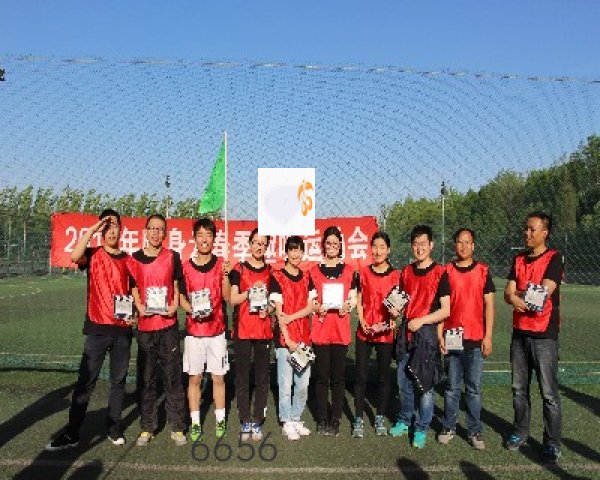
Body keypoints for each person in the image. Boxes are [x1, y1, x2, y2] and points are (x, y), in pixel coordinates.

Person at [45, 209, 134, 451]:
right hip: (97, 330)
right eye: (107, 227)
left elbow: (133, 292)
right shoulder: (93, 254)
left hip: (122, 331)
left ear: (121, 229)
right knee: (86, 383)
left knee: (118, 382)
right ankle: (72, 433)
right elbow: (75, 256)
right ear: (101, 230)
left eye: (115, 226)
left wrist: (135, 314)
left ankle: (113, 428)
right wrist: (92, 230)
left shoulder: (128, 259)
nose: (112, 231)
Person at [504, 212, 563, 462]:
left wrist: (519, 295)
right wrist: (517, 296)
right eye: (525, 229)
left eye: (532, 229)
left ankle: (552, 443)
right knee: (519, 389)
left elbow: (543, 292)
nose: (526, 233)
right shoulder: (518, 258)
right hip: (519, 333)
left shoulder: (554, 258)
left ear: (544, 233)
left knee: (548, 393)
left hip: (544, 335)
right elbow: (507, 293)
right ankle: (520, 431)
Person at [127, 213, 187, 447]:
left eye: (160, 229)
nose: (155, 232)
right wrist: (139, 306)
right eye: (152, 228)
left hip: (168, 326)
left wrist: (174, 304)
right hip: (146, 327)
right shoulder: (134, 258)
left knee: (173, 377)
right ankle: (147, 426)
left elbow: (176, 284)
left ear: (165, 233)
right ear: (145, 231)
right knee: (146, 378)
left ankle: (178, 426)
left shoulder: (172, 256)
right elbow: (133, 286)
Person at [389, 224, 450, 449]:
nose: (419, 248)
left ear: (431, 245)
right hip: (407, 332)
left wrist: (422, 320)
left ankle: (422, 427)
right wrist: (395, 311)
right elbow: (401, 301)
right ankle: (405, 420)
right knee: (403, 380)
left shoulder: (440, 273)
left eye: (423, 244)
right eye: (415, 244)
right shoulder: (406, 272)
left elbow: (445, 310)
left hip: (426, 335)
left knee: (425, 384)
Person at [437, 228, 495, 450]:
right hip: (453, 339)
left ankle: (474, 430)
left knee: (473, 389)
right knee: (452, 388)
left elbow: (489, 305)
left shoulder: (483, 271)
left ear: (473, 245)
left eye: (467, 242)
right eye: (459, 242)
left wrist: (488, 336)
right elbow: (442, 306)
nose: (463, 246)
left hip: (475, 340)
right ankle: (448, 426)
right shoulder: (447, 271)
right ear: (455, 245)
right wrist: (440, 334)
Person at [179, 218, 231, 442]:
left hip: (217, 331)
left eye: (208, 235)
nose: (204, 239)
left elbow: (227, 297)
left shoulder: (221, 265)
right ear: (194, 238)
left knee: (218, 378)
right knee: (194, 379)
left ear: (214, 239)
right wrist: (192, 310)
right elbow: (180, 297)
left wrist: (226, 276)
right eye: (200, 234)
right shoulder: (185, 267)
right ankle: (195, 422)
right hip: (194, 333)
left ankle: (220, 419)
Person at [310, 226, 358, 437]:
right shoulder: (313, 271)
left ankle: (335, 418)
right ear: (323, 245)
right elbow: (311, 298)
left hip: (340, 330)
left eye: (335, 244)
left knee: (338, 377)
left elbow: (353, 297)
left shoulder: (349, 271)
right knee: (321, 377)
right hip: (321, 330)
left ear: (340, 246)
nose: (331, 247)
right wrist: (316, 307)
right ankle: (322, 418)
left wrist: (349, 305)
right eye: (328, 243)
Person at [353, 231, 400, 438]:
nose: (378, 251)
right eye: (375, 247)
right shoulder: (363, 273)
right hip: (365, 331)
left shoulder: (396, 275)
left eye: (382, 247)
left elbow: (398, 304)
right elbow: (359, 298)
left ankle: (379, 416)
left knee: (383, 377)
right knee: (361, 376)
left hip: (385, 333)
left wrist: (395, 316)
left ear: (388, 250)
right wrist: (362, 319)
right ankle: (358, 417)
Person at [269, 236, 316, 441]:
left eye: (299, 250)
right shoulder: (277, 277)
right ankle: (286, 420)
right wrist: (287, 339)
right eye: (292, 250)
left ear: (303, 253)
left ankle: (296, 418)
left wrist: (293, 317)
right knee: (285, 384)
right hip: (285, 341)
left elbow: (311, 307)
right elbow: (279, 313)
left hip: (304, 340)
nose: (295, 254)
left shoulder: (306, 277)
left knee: (303, 384)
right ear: (286, 253)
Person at [229, 228, 272, 441]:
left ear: (267, 247)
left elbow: (275, 301)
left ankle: (257, 421)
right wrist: (251, 291)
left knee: (262, 378)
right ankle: (245, 419)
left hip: (263, 330)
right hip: (243, 330)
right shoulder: (239, 269)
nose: (259, 246)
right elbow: (233, 299)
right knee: (243, 377)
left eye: (263, 244)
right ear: (249, 243)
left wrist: (268, 310)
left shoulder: (271, 272)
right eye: (256, 242)